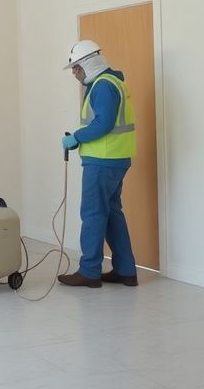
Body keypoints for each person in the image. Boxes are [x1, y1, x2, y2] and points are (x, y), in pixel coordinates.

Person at [57, 40, 139, 288]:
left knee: (93, 214)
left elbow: (103, 123)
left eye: (75, 68)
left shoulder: (102, 86)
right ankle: (125, 271)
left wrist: (76, 138)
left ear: (87, 64)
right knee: (112, 215)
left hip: (102, 161)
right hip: (116, 159)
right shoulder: (113, 82)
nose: (74, 73)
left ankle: (89, 272)